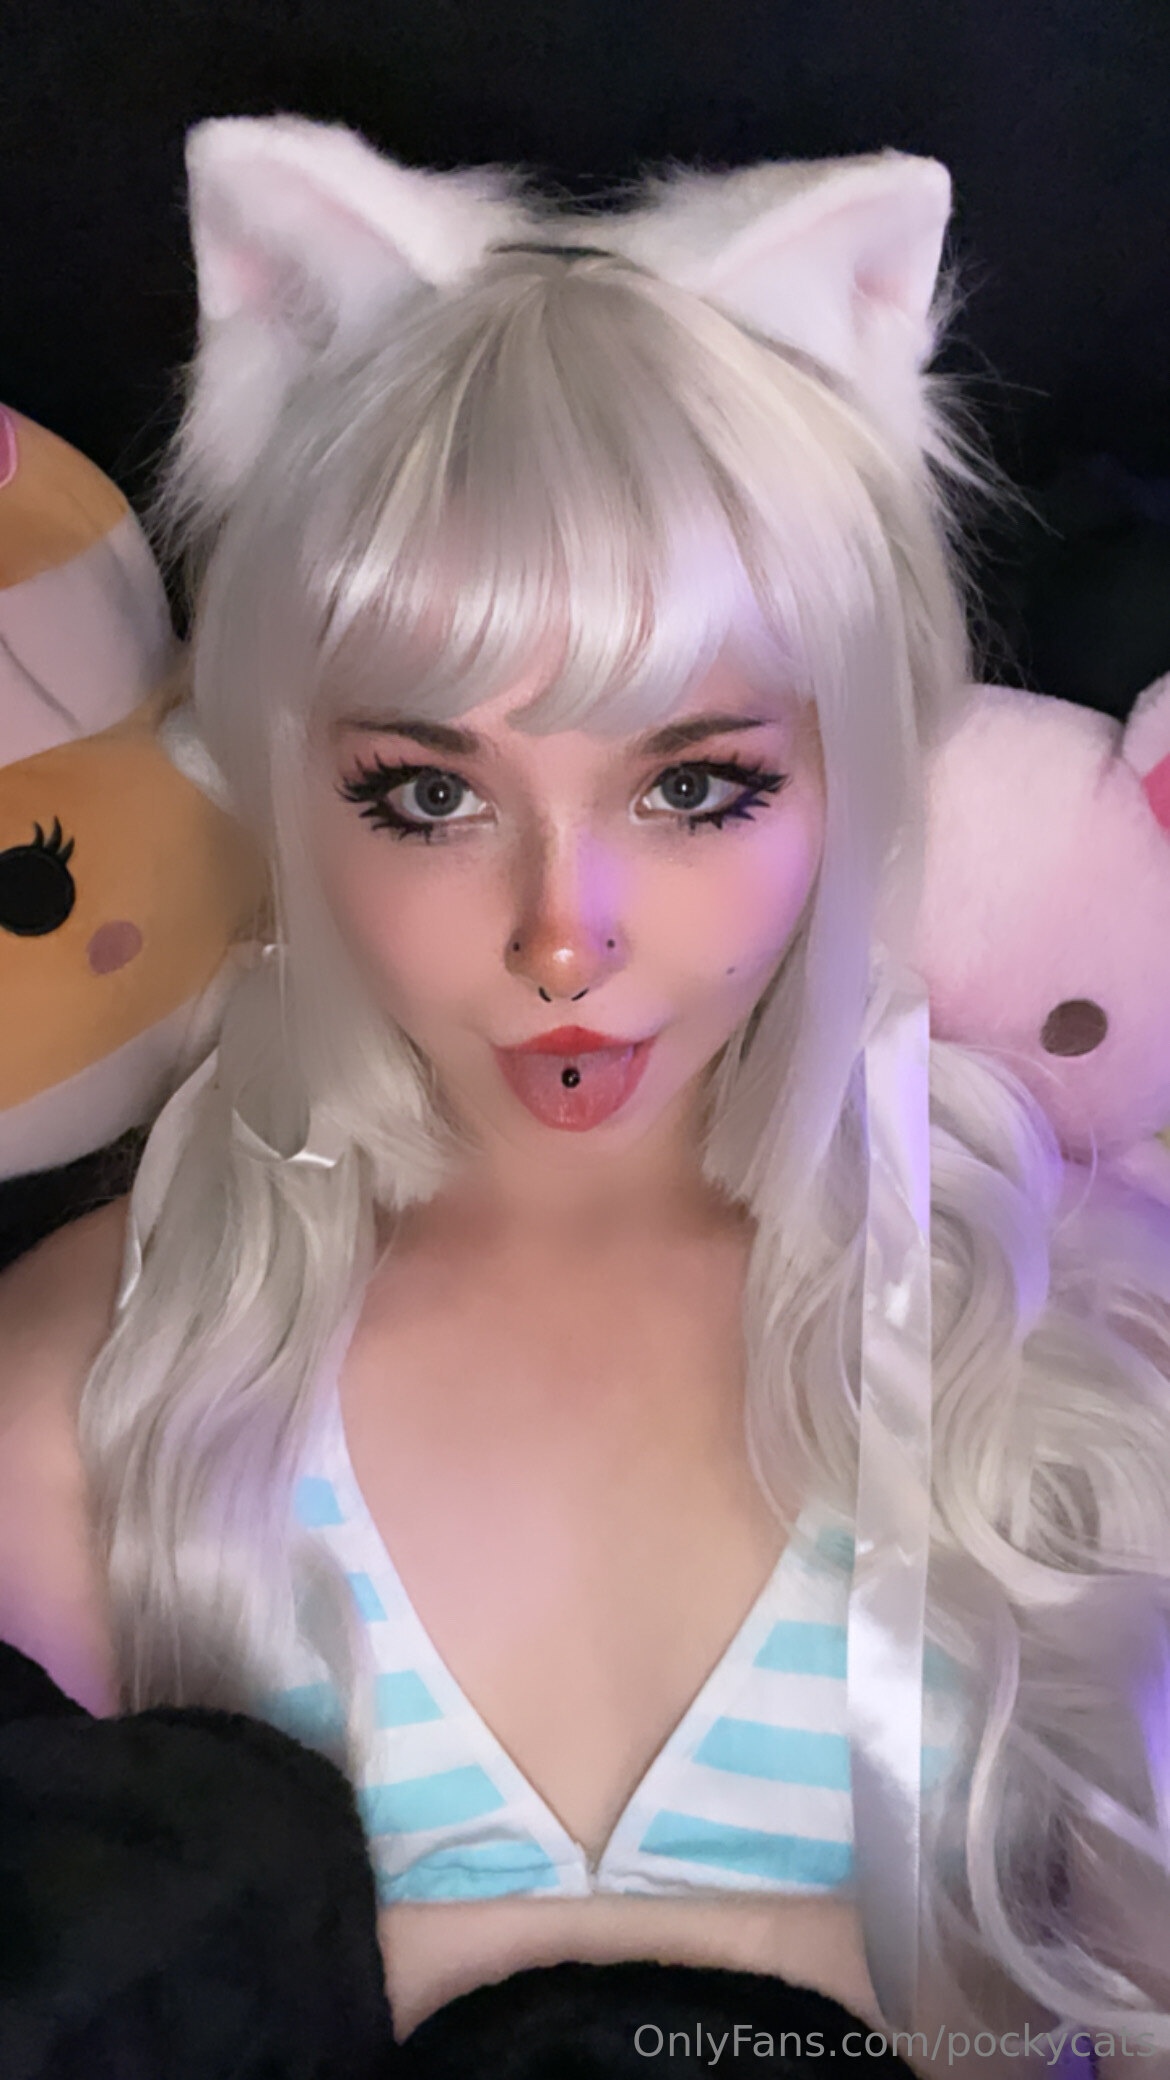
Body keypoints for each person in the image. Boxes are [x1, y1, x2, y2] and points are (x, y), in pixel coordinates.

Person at [0, 113, 1168, 2080]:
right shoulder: (81, 1392)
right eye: (429, 793)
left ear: (850, 773)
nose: (566, 935)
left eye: (695, 785)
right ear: (287, 779)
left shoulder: (1084, 1337)